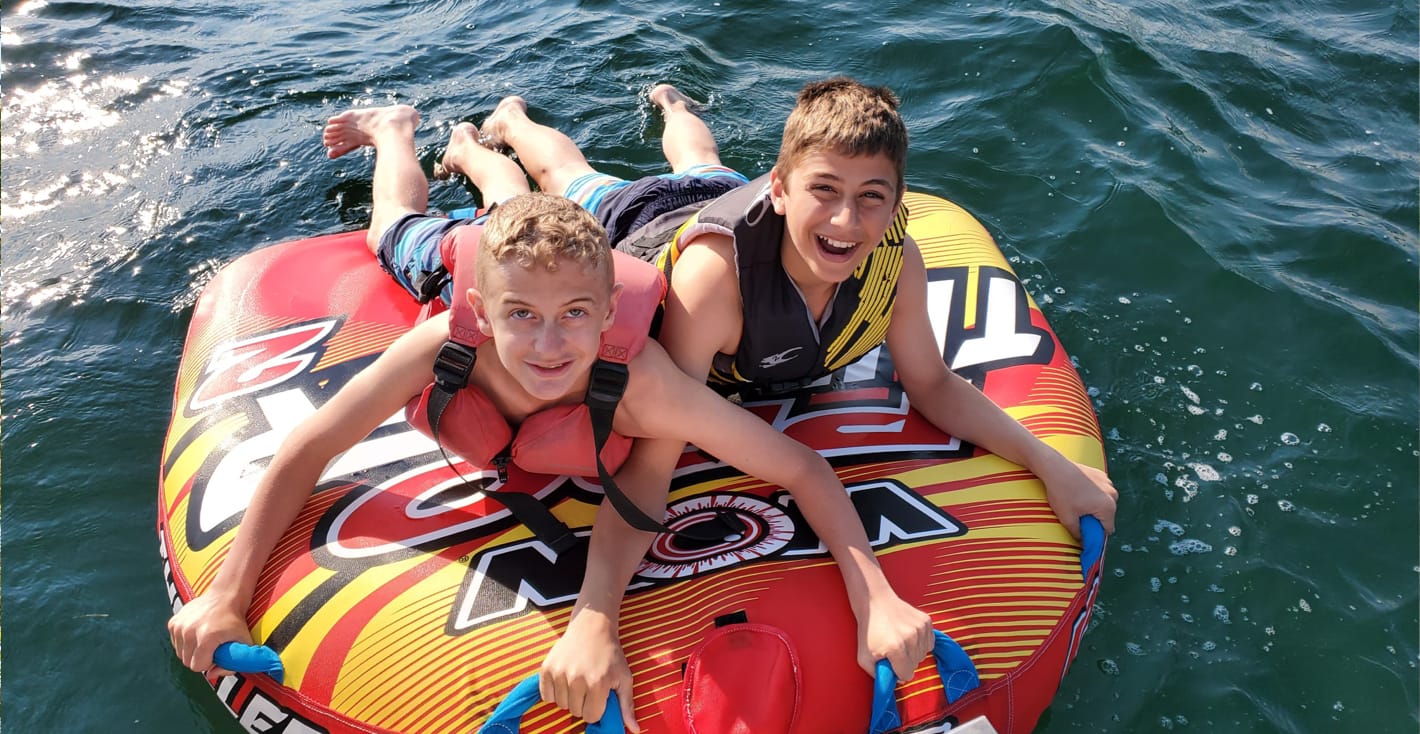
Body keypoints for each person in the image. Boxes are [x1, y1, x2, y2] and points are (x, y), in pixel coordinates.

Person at [167, 105, 934, 732]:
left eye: (576, 316)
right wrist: (230, 591)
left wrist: (875, 593)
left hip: (555, 242)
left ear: (609, 314)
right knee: (395, 227)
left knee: (558, 196)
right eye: (521, 319)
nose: (549, 344)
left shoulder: (640, 380)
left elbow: (796, 465)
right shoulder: (444, 345)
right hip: (471, 252)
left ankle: (517, 138)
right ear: (478, 314)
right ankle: (401, 131)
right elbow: (311, 446)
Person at [466, 77, 1121, 713]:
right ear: (780, 188)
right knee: (569, 180)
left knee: (701, 160)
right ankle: (499, 132)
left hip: (726, 194)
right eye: (826, 190)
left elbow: (933, 385)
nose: (845, 219)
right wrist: (594, 613)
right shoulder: (714, 282)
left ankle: (669, 101)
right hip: (648, 222)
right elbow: (650, 465)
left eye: (871, 197)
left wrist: (1052, 465)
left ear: (896, 206)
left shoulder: (894, 261)